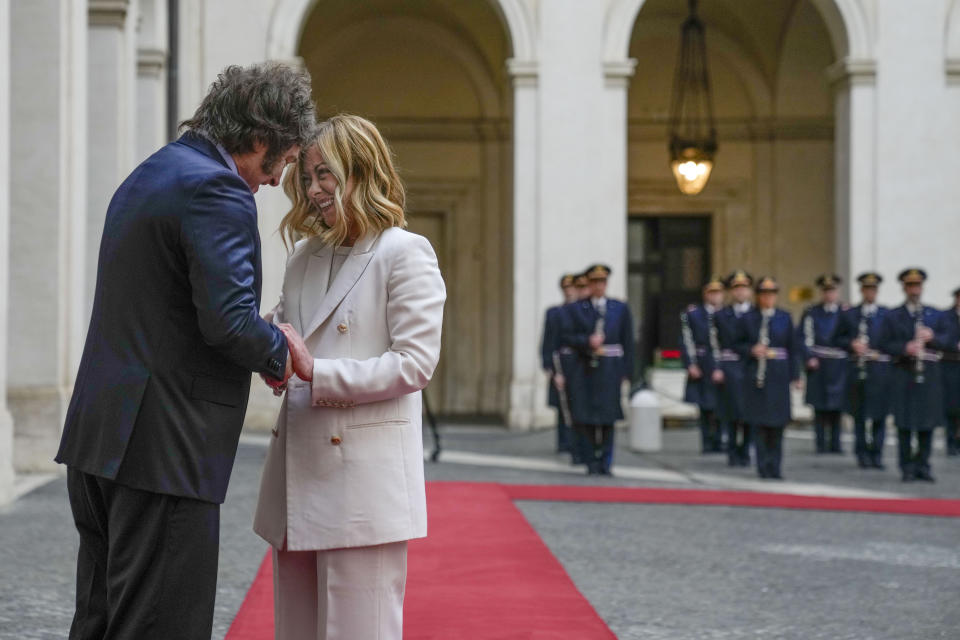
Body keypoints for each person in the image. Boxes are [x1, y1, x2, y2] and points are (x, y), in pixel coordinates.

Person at [54, 63, 315, 639]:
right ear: (257, 138)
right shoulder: (217, 188)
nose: (277, 181)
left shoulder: (153, 171)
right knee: (159, 626)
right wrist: (280, 350)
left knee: (100, 621)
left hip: (105, 437)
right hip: (165, 448)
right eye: (286, 161)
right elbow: (227, 321)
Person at [253, 115, 445, 640]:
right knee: (296, 629)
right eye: (307, 177)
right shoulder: (303, 256)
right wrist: (276, 356)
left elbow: (415, 362)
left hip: (362, 480)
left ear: (361, 170)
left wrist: (318, 372)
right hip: (298, 468)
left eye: (324, 175)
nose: (313, 190)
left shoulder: (405, 252)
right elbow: (287, 328)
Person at [559, 264, 635, 475]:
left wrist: (627, 371)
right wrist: (587, 341)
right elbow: (566, 337)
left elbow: (628, 341)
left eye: (602, 282)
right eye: (595, 282)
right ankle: (591, 459)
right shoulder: (577, 309)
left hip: (610, 368)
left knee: (608, 418)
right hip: (586, 369)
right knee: (588, 417)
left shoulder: (618, 308)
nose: (599, 286)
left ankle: (606, 461)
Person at [877, 268, 948, 482]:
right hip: (903, 373)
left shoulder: (935, 315)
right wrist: (904, 347)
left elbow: (949, 341)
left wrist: (932, 336)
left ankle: (923, 465)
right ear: (904, 288)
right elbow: (883, 344)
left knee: (927, 424)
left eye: (917, 286)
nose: (914, 290)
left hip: (929, 374)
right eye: (910, 286)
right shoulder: (893, 316)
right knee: (905, 423)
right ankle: (906, 467)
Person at [737, 277, 799, 480]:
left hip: (778, 375)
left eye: (771, 294)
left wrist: (795, 376)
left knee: (777, 425)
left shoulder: (784, 317)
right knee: (760, 424)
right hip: (757, 376)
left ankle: (776, 466)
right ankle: (763, 466)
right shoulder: (748, 318)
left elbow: (792, 348)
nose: (768, 298)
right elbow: (737, 344)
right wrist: (751, 350)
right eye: (764, 294)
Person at [834, 272, 891, 468]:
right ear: (861, 290)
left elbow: (893, 341)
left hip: (879, 370)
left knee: (879, 415)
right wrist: (852, 344)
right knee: (859, 415)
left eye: (873, 289)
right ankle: (861, 453)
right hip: (856, 369)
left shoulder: (886, 314)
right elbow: (837, 339)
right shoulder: (850, 314)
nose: (870, 293)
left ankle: (877, 453)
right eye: (867, 289)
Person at [798, 274, 848, 454]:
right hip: (818, 363)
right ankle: (820, 443)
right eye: (826, 291)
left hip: (839, 364)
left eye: (832, 291)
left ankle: (835, 443)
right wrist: (808, 357)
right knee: (819, 405)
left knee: (837, 405)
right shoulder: (812, 312)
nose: (829, 294)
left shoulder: (845, 312)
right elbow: (802, 337)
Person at [680, 276, 725, 453]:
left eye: (718, 293)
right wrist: (691, 364)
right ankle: (707, 441)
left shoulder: (726, 314)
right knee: (705, 406)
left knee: (722, 403)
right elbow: (686, 339)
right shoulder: (694, 314)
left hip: (722, 362)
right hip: (703, 362)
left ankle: (720, 439)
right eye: (711, 292)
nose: (715, 297)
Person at [715, 270, 753, 466]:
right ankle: (731, 449)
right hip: (729, 366)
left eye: (743, 288)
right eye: (736, 288)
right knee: (730, 412)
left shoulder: (755, 314)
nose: (740, 292)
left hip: (749, 367)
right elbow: (715, 343)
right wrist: (718, 367)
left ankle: (745, 449)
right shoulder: (722, 315)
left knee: (748, 411)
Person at [541, 273, 578, 457]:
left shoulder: (582, 311)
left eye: (572, 288)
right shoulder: (554, 313)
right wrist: (550, 368)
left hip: (578, 364)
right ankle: (564, 442)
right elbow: (548, 342)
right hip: (561, 365)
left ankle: (576, 442)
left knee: (578, 406)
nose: (569, 291)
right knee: (562, 407)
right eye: (566, 288)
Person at [938, 287, 960, 456]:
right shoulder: (946, 316)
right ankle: (951, 441)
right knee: (952, 407)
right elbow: (941, 339)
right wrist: (954, 345)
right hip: (952, 365)